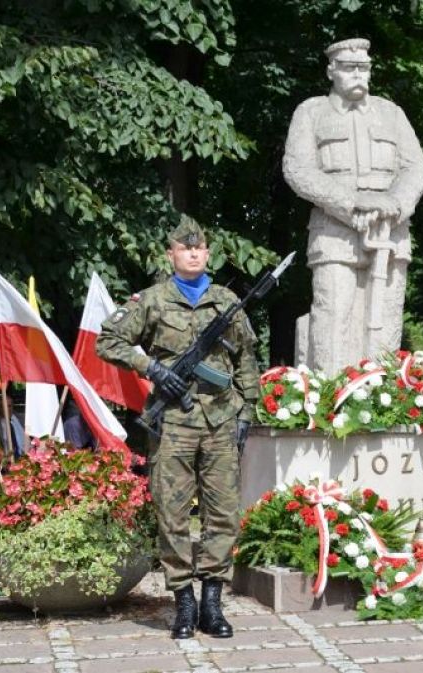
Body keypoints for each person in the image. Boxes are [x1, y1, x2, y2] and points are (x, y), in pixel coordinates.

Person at [95, 216, 259, 639]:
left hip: (221, 423)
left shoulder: (226, 302)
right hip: (172, 423)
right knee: (172, 514)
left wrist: (246, 413)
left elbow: (246, 360)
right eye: (184, 248)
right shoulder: (151, 300)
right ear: (171, 254)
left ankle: (212, 603)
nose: (192, 253)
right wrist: (150, 367)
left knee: (223, 514)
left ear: (207, 254)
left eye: (199, 248)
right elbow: (108, 340)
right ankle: (183, 602)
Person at [282, 37, 423, 375]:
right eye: (349, 68)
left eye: (363, 68)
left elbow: (416, 167)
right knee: (333, 315)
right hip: (335, 235)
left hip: (390, 233)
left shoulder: (392, 114)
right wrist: (351, 204)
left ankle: (382, 400)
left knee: (387, 319)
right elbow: (298, 169)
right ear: (332, 71)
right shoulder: (311, 112)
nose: (358, 74)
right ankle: (331, 403)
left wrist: (395, 203)